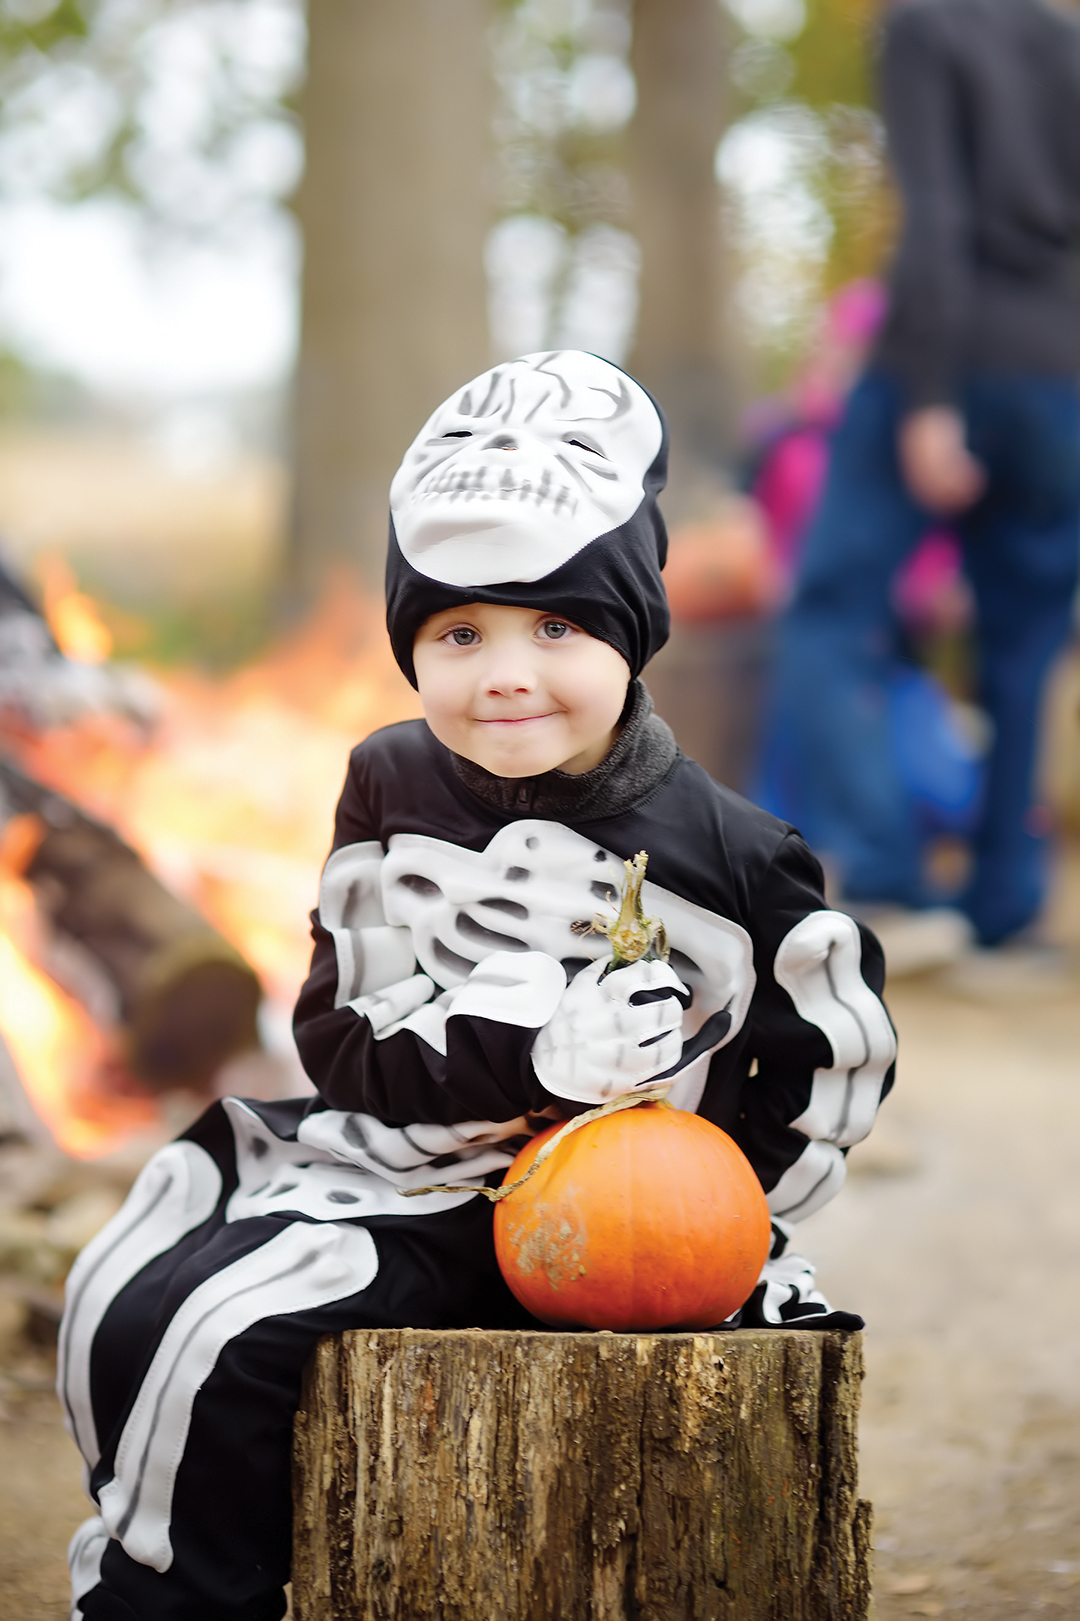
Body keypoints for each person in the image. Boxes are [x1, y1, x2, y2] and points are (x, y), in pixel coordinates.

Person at [58, 351, 896, 1621]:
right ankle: (137, 1558)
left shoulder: (731, 848)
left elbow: (833, 1043)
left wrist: (724, 1202)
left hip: (560, 1209)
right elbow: (338, 1031)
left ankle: (176, 1603)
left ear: (633, 631)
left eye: (556, 626)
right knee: (127, 1271)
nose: (505, 671)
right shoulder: (390, 780)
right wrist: (523, 1050)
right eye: (459, 632)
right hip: (388, 1137)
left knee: (230, 1327)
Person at [771, 0, 1080, 949]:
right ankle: (1004, 904)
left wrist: (931, 395)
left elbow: (937, 211)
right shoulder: (1065, 42)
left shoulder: (926, 25)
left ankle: (893, 881)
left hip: (948, 359)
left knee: (828, 612)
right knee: (1023, 650)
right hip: (1059, 376)